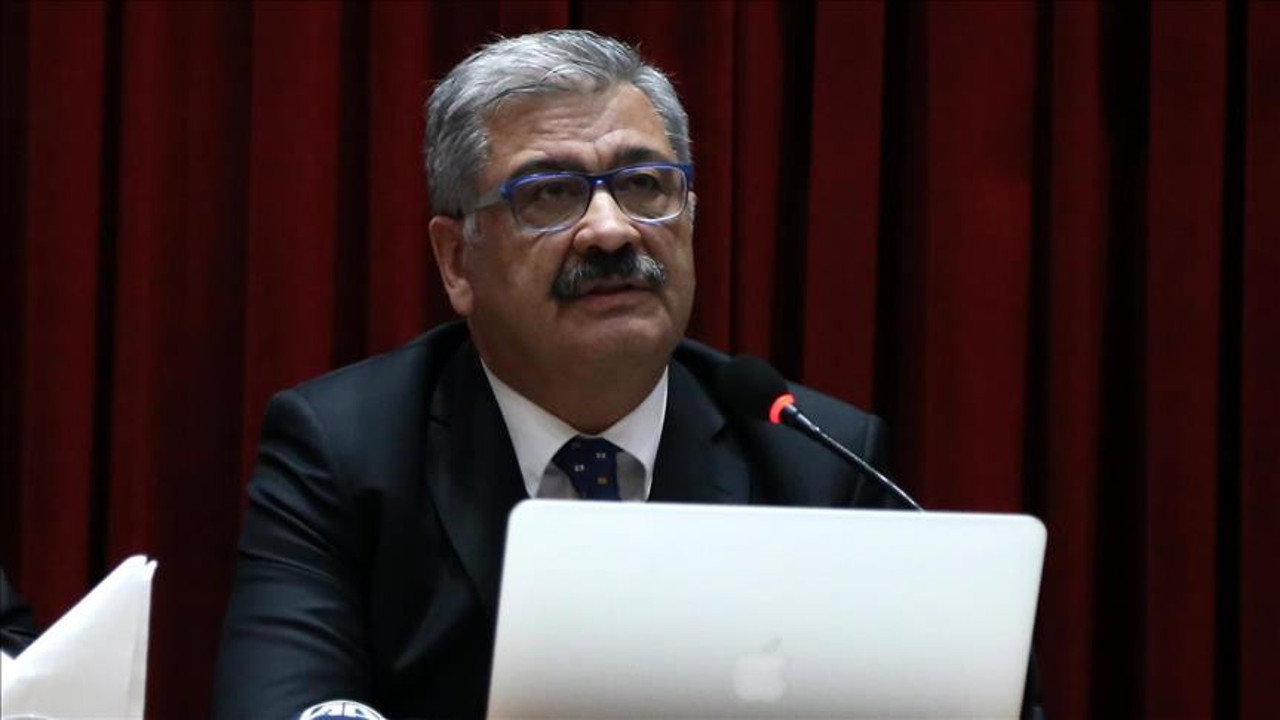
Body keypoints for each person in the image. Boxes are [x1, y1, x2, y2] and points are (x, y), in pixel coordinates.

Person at [213, 29, 1039, 718]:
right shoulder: (346, 451)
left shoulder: (815, 461)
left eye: (645, 185)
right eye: (549, 194)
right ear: (457, 260)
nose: (611, 231)